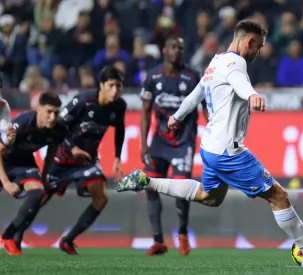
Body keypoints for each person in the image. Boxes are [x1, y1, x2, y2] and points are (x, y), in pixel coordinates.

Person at [117, 19, 303, 268]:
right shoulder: (236, 64)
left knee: (209, 197)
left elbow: (196, 94)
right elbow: (240, 82)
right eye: (257, 47)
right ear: (249, 41)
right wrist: (253, 95)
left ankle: (146, 181)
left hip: (210, 147)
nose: (257, 52)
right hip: (228, 151)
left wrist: (177, 116)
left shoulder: (215, 62)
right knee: (279, 196)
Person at [13, 66, 127, 255]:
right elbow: (59, 126)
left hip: (86, 160)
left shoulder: (119, 106)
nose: (115, 91)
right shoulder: (82, 100)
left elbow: (120, 130)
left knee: (101, 196)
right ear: (101, 85)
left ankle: (68, 240)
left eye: (119, 86)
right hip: (62, 157)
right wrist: (72, 148)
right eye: (111, 85)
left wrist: (116, 156)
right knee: (40, 198)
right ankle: (16, 237)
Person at [140, 35, 208, 256]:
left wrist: (211, 130)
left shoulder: (192, 77)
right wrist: (143, 144)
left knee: (181, 190)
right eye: (173, 47)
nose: (177, 51)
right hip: (159, 142)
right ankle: (158, 240)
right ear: (164, 50)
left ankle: (182, 233)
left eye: (181, 47)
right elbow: (145, 113)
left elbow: (206, 106)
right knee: (150, 187)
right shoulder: (153, 77)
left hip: (183, 142)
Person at [0, 92, 67, 255]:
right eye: (49, 112)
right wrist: (6, 182)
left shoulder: (59, 128)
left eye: (56, 113)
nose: (52, 117)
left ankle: (9, 236)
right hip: (4, 160)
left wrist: (44, 175)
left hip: (24, 162)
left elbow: (52, 150)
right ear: (38, 109)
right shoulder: (22, 124)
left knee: (38, 192)